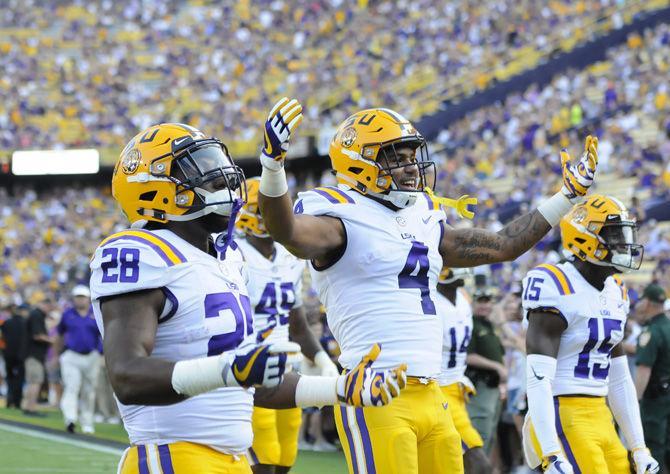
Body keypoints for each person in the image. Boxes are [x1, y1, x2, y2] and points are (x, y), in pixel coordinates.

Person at [256, 97, 599, 474]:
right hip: (374, 392)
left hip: (434, 394)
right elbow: (285, 230)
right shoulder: (338, 214)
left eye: (410, 155)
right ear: (359, 162)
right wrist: (273, 167)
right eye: (395, 157)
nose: (409, 167)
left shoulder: (422, 216)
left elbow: (503, 246)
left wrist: (566, 196)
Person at [90, 122, 406, 473]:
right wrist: (230, 370)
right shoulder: (140, 252)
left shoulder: (228, 258)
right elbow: (126, 375)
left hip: (235, 458)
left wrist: (340, 389)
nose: (223, 177)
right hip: (172, 456)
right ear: (157, 189)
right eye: (202, 168)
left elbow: (260, 386)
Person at [522, 194, 659, 474]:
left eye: (625, 234)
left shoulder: (616, 290)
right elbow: (537, 381)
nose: (624, 243)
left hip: (601, 413)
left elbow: (620, 380)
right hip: (562, 411)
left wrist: (638, 446)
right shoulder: (555, 283)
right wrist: (551, 453)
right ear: (585, 237)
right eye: (614, 235)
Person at [235, 177, 339, 474]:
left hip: (286, 370)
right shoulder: (235, 256)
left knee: (284, 461)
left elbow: (297, 325)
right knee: (262, 463)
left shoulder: (288, 257)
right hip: (252, 370)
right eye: (266, 209)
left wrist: (321, 359)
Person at [436, 267, 492, 473]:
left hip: (456, 386)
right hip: (437, 388)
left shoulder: (463, 297)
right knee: (478, 460)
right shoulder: (429, 301)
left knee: (451, 462)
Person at [55, 285, 102, 434]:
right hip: (71, 355)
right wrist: (56, 355)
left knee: (89, 390)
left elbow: (104, 335)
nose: (80, 300)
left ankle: (87, 422)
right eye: (77, 297)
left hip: (92, 356)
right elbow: (59, 335)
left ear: (88, 298)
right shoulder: (67, 314)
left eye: (82, 297)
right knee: (72, 386)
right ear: (74, 299)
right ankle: (70, 419)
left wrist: (103, 354)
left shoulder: (96, 313)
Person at [464, 288, 506, 455]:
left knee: (489, 434)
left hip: (492, 386)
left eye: (487, 301)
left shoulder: (488, 325)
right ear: (472, 303)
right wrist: (497, 367)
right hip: (479, 384)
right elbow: (468, 356)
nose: (484, 305)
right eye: (480, 301)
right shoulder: (470, 323)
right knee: (480, 432)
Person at [635, 284, 670, 471]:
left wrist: (635, 400)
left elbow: (644, 370)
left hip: (655, 400)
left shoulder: (652, 332)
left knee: (653, 448)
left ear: (647, 302)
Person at [23, 298, 56, 416]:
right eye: (49, 306)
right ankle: (31, 408)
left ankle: (27, 406)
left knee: (33, 382)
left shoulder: (36, 315)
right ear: (44, 305)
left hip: (32, 354)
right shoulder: (37, 315)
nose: (49, 309)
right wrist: (51, 340)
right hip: (34, 355)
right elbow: (37, 335)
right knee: (35, 382)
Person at [1, 303, 29, 409]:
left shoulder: (6, 323)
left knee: (10, 378)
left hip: (8, 355)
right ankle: (17, 402)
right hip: (21, 356)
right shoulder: (25, 323)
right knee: (20, 379)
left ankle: (9, 400)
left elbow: (2, 338)